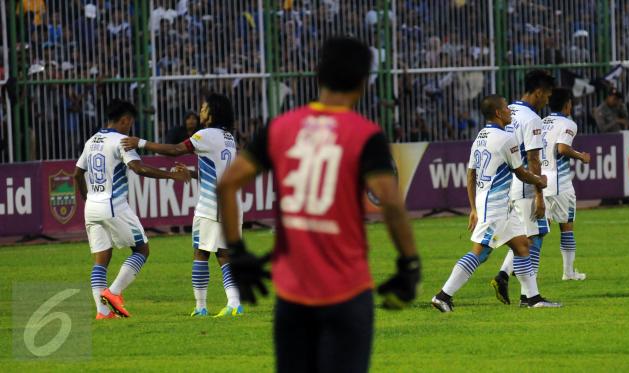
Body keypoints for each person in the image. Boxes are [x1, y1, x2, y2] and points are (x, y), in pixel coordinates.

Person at [216, 37, 420, 373]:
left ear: (318, 76)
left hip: (292, 294)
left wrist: (237, 251)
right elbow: (393, 203)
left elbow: (227, 184)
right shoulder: (365, 134)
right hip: (348, 291)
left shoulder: (280, 127)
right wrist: (408, 264)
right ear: (362, 83)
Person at [431, 95, 561, 312]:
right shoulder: (505, 139)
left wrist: (473, 207)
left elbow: (471, 175)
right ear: (499, 113)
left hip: (496, 204)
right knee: (477, 252)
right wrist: (540, 180)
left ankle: (532, 298)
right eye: (506, 109)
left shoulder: (480, 136)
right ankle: (443, 296)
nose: (510, 112)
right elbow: (520, 173)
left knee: (522, 246)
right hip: (495, 206)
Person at [121, 93, 244, 317]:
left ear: (213, 112)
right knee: (224, 253)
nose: (201, 112)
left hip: (212, 205)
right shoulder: (229, 137)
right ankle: (234, 303)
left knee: (201, 252)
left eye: (204, 108)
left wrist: (140, 142)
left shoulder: (205, 134)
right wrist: (190, 173)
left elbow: (176, 149)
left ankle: (200, 307)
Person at [74, 99, 190, 319]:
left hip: (92, 207)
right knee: (141, 250)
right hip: (113, 204)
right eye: (131, 122)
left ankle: (103, 312)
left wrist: (88, 198)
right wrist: (171, 175)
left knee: (101, 260)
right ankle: (114, 293)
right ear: (125, 120)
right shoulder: (122, 141)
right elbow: (138, 168)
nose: (131, 128)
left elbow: (77, 174)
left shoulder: (92, 141)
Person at [491, 69, 555, 306]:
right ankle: (530, 297)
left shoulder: (510, 112)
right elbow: (534, 160)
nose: (547, 100)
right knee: (535, 237)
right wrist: (540, 195)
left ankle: (505, 276)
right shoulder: (532, 119)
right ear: (538, 92)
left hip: (507, 184)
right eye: (547, 95)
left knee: (525, 238)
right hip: (526, 185)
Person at [540, 88, 590, 280]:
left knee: (536, 230)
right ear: (567, 104)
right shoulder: (568, 123)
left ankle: (507, 269)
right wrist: (581, 156)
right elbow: (562, 148)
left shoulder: (541, 122)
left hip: (540, 180)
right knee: (566, 226)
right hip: (559, 182)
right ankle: (568, 273)